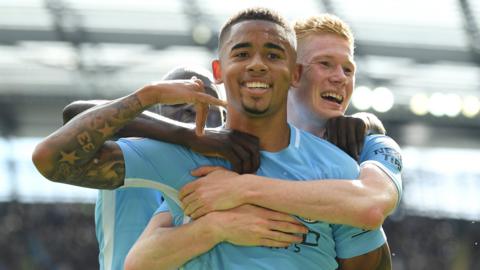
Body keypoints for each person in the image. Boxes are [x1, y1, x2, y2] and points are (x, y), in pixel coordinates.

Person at [33, 7, 399, 269]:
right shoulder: (203, 158)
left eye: (348, 68)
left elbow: (368, 208)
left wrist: (242, 191)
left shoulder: (357, 150)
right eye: (326, 63)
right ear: (298, 75)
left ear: (290, 70)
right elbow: (138, 261)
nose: (339, 76)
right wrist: (183, 130)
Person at [60, 66, 233, 270]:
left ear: (224, 118)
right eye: (176, 102)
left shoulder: (228, 176)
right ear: (155, 115)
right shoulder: (131, 153)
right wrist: (179, 132)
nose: (192, 107)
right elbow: (74, 115)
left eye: (207, 100)